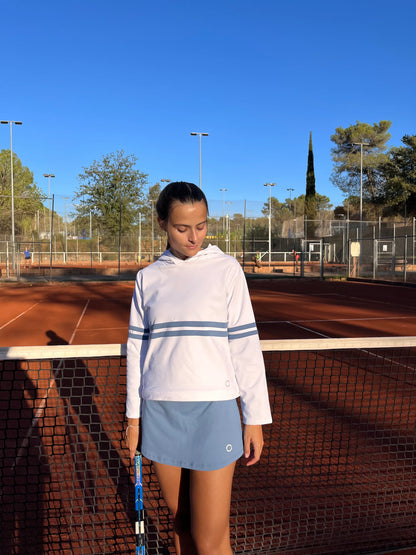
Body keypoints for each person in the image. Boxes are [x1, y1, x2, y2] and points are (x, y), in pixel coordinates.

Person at [125, 182, 272, 555]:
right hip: (161, 413)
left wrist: (253, 418)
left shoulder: (226, 271)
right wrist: (133, 420)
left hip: (214, 413)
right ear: (162, 224)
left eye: (202, 226)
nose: (194, 237)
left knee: (210, 537)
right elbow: (137, 354)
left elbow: (245, 346)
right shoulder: (147, 279)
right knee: (181, 528)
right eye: (182, 228)